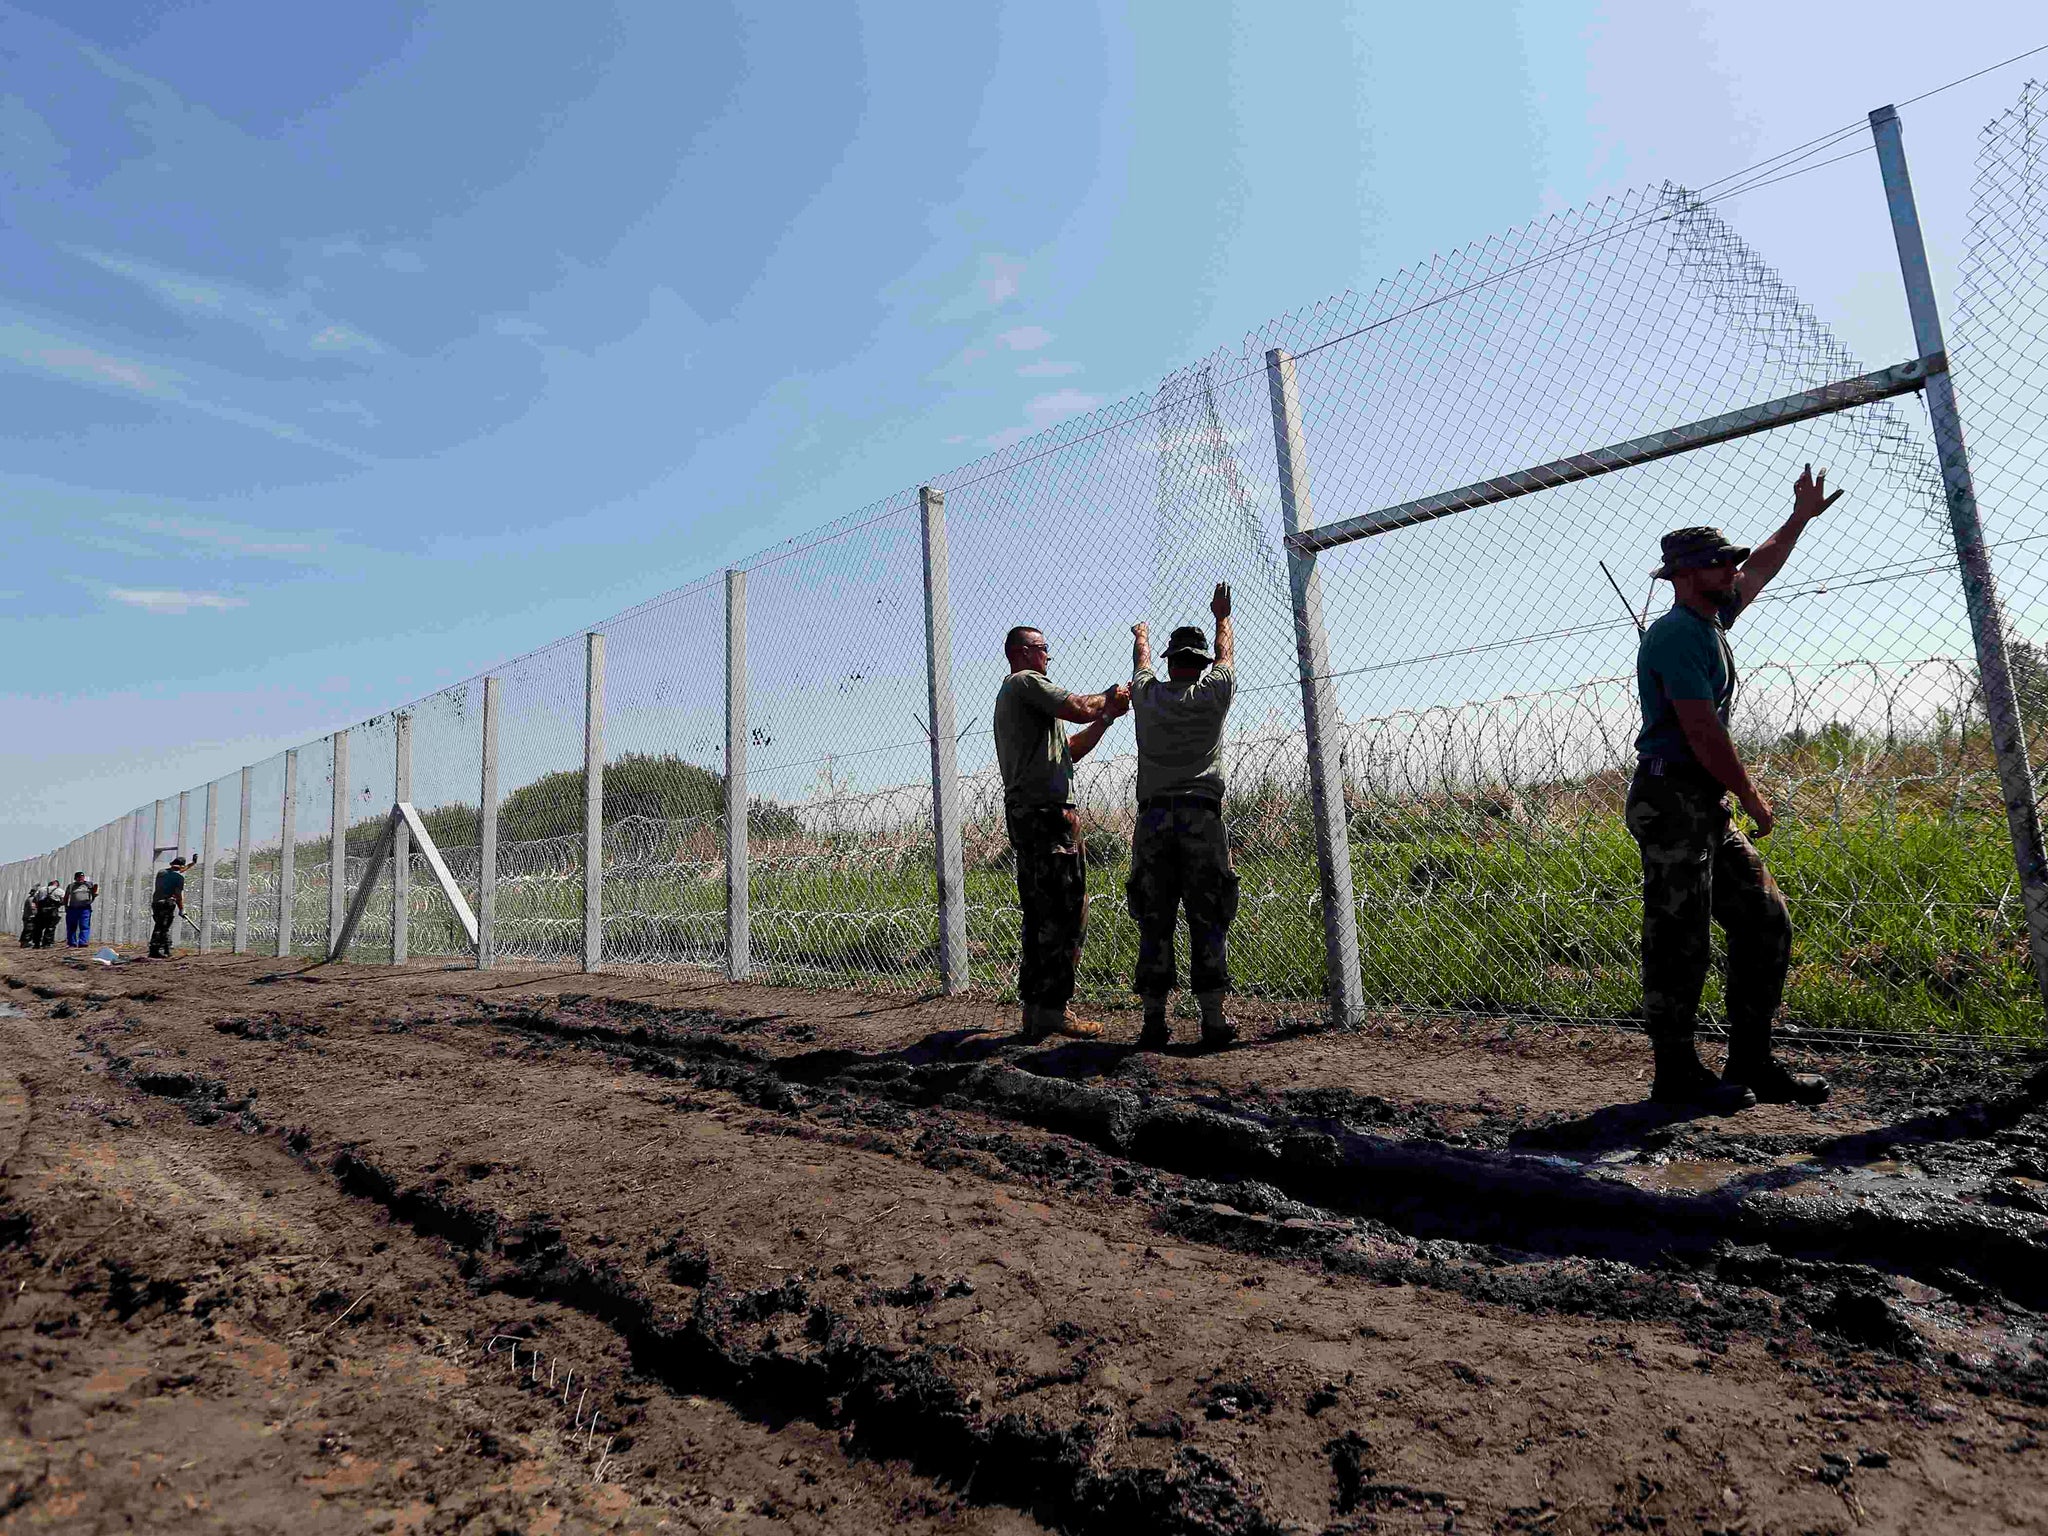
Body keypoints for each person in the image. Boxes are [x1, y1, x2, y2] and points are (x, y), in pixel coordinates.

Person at [1627, 465, 1842, 1112]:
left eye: (1731, 564)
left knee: (1764, 921)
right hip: (1671, 799)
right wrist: (1750, 797)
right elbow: (1702, 732)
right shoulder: (1676, 636)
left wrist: (1800, 516)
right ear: (1688, 576)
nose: (1733, 573)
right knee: (1679, 937)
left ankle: (1753, 1061)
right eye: (1721, 566)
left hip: (1702, 803)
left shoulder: (1711, 620)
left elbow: (1765, 568)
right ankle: (1677, 1074)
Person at [995, 625, 1131, 1042]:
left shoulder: (1024, 701)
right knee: (1066, 911)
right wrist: (1109, 699)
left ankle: (1037, 1009)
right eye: (1042, 649)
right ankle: (1054, 1009)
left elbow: (1069, 750)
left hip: (1034, 814)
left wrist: (1106, 718)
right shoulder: (1025, 683)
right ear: (1022, 652)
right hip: (1047, 816)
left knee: (1042, 913)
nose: (1047, 657)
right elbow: (1076, 706)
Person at [1127, 583, 1241, 1049]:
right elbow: (1227, 655)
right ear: (1200, 665)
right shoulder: (1213, 694)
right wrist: (1222, 616)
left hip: (1153, 821)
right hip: (1201, 817)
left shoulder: (1147, 698)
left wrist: (1141, 636)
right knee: (1208, 913)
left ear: (1172, 662)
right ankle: (1212, 1019)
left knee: (1155, 917)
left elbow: (1140, 666)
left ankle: (1154, 1020)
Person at [148, 857, 189, 959]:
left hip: (156, 903)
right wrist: (181, 908)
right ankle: (156, 951)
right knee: (163, 928)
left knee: (160, 926)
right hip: (167, 903)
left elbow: (176, 871)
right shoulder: (179, 878)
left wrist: (192, 864)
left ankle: (165, 950)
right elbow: (178, 895)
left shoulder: (161, 873)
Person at [63, 870, 98, 948]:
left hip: (85, 909)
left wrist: (94, 895)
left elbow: (94, 893)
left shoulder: (89, 885)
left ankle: (83, 942)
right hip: (73, 909)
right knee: (72, 926)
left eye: (82, 877)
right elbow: (66, 897)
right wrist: (66, 906)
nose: (81, 879)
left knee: (84, 925)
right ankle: (72, 943)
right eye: (79, 878)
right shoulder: (71, 886)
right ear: (75, 878)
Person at [32, 881, 64, 949]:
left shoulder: (41, 889)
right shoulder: (59, 890)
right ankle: (47, 944)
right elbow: (64, 900)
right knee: (50, 927)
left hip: (41, 911)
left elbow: (35, 899)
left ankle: (36, 943)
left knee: (38, 928)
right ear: (57, 885)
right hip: (52, 912)